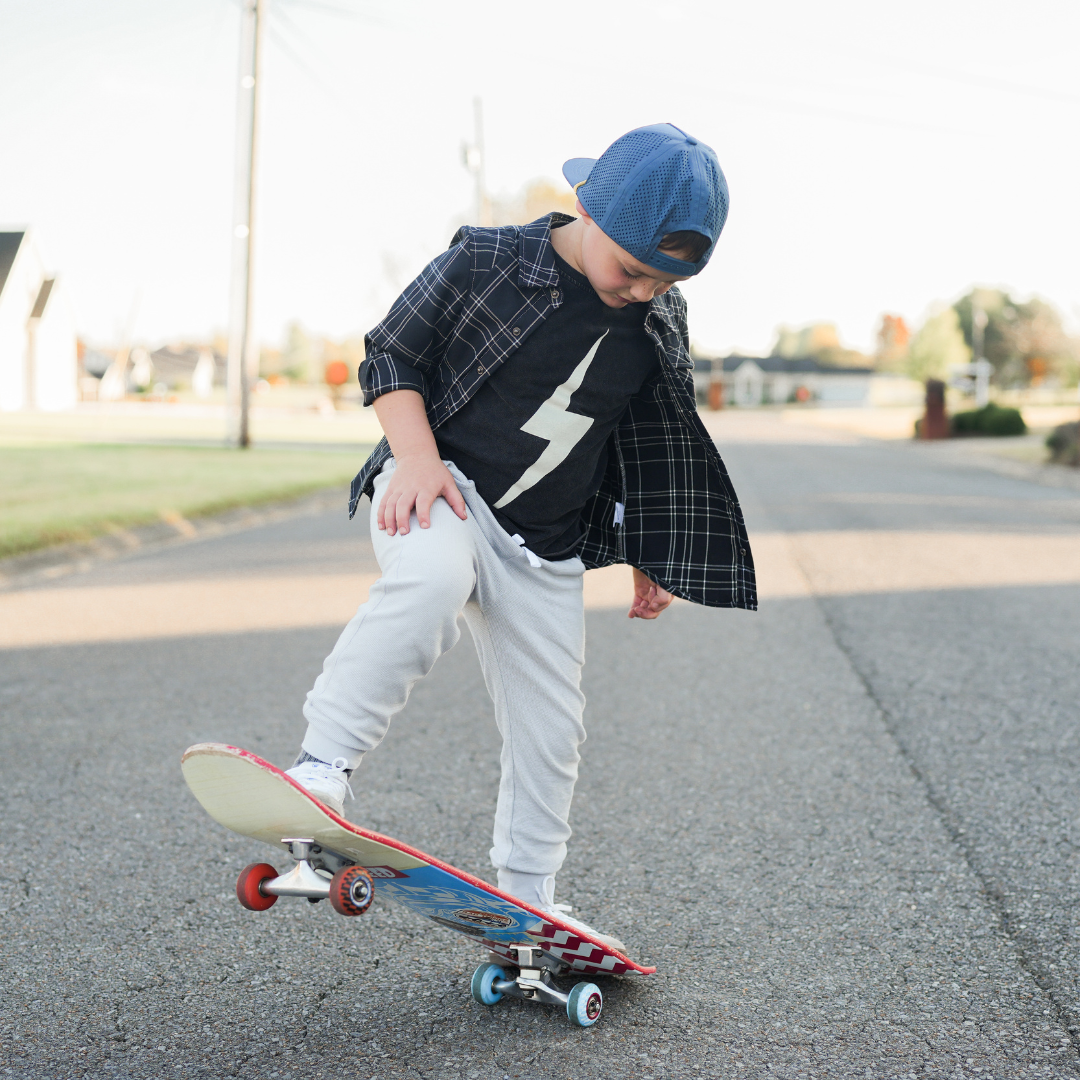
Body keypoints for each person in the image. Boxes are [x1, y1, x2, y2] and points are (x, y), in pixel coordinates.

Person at [284, 123, 756, 950]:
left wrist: (651, 547)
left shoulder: (658, 320)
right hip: (443, 490)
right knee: (427, 582)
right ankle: (321, 768)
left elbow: (649, 440)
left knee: (552, 726)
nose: (644, 292)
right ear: (586, 209)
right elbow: (391, 356)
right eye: (633, 270)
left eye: (664, 280)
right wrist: (420, 463)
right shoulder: (490, 260)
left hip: (545, 546)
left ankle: (529, 897)